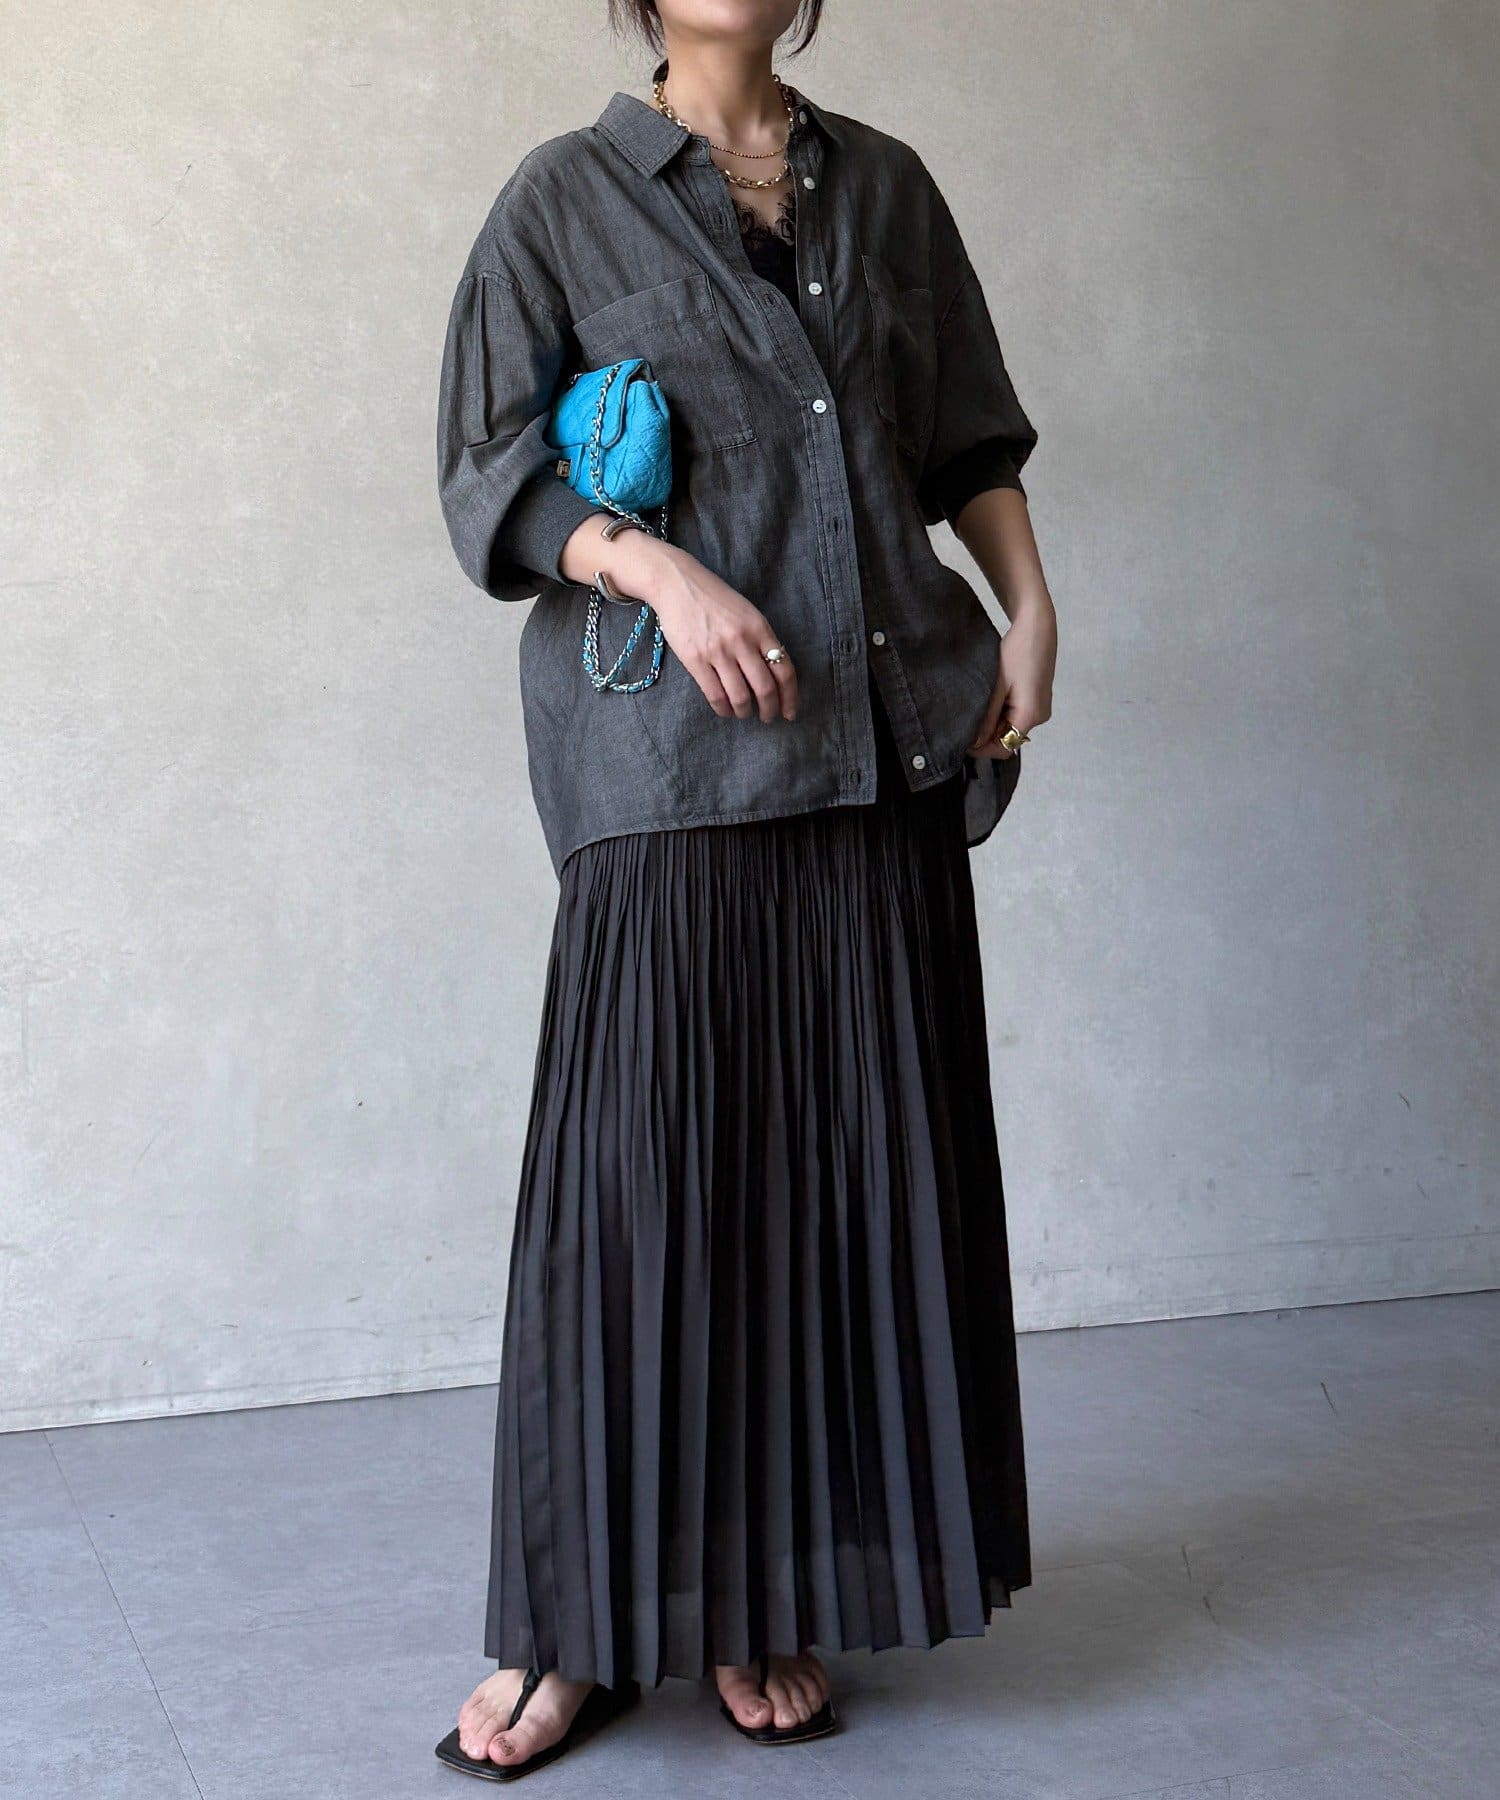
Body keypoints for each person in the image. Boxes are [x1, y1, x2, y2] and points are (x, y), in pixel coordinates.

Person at [433, 0, 1058, 1777]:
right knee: (634, 1204)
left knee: (830, 1199)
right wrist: (658, 572)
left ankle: (756, 1592)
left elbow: (968, 444)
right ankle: (573, 1625)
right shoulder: (561, 199)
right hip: (672, 766)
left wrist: (1032, 607)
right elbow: (491, 478)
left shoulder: (889, 189)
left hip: (881, 743)